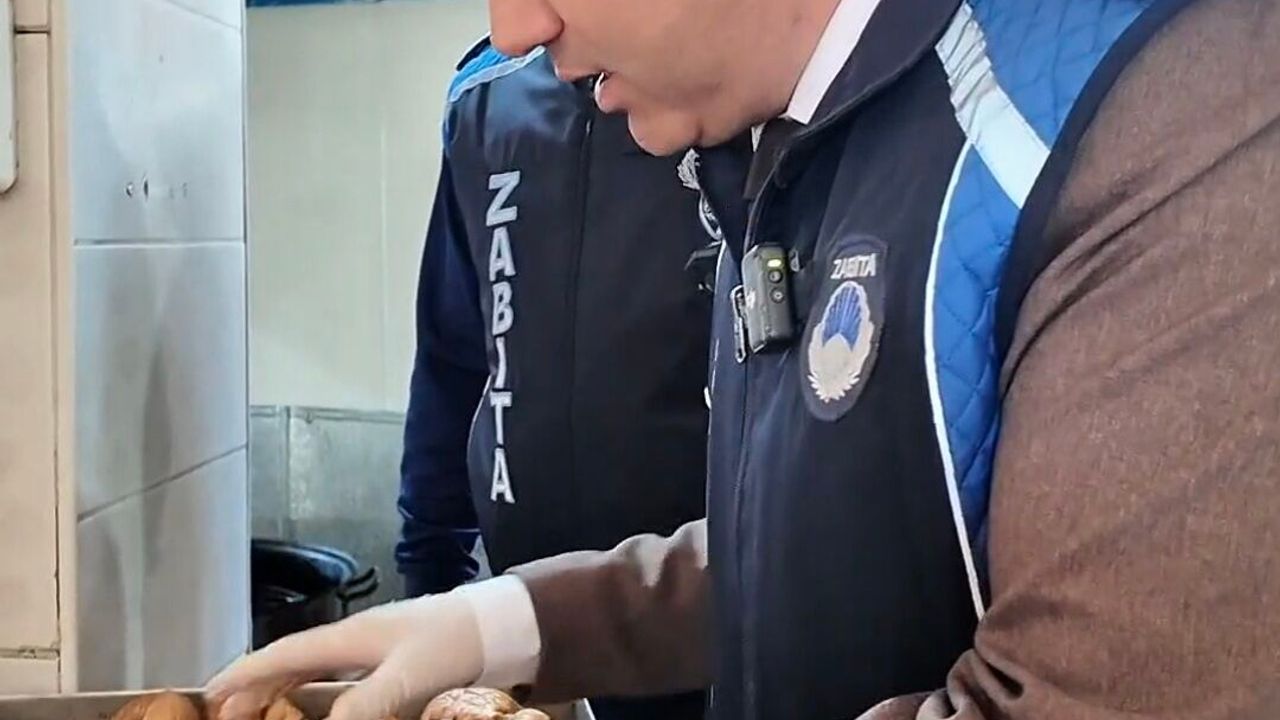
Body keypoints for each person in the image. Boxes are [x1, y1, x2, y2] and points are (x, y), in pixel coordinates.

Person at [210, 1, 1280, 719]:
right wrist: (501, 623)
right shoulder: (781, 150)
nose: (515, 29)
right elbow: (820, 545)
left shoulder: (1174, 109)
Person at [392, 37, 733, 720]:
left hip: (700, 621)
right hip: (520, 622)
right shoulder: (484, 98)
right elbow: (452, 360)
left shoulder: (731, 85)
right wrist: (430, 577)